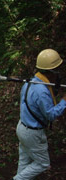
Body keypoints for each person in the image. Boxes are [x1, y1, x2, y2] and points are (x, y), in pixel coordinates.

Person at [13, 49, 66, 180]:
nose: (58, 73)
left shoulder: (30, 82)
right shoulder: (42, 90)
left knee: (24, 162)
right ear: (51, 72)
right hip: (32, 133)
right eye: (57, 70)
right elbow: (51, 115)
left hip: (22, 127)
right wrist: (64, 101)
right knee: (43, 163)